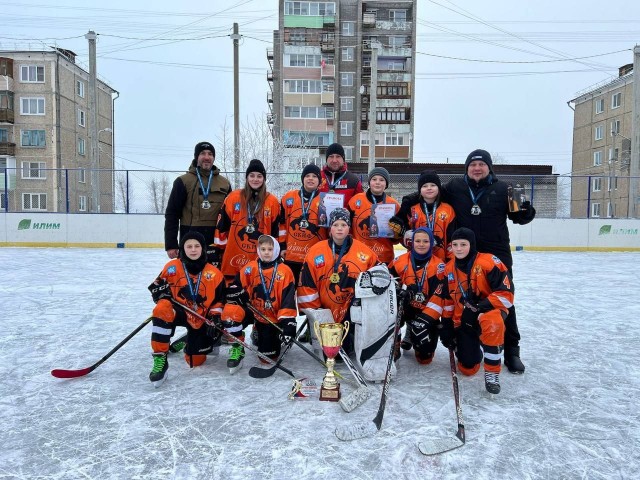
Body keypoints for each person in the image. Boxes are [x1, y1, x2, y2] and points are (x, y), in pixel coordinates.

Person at [437, 228, 514, 394]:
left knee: (492, 323)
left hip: (488, 312)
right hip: (463, 319)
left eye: (463, 244)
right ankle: (474, 347)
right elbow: (448, 301)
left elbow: (506, 295)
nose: (458, 249)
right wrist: (447, 325)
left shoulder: (489, 262)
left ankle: (492, 373)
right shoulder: (449, 269)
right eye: (455, 244)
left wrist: (479, 307)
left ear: (471, 244)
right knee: (468, 368)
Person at [147, 231, 226, 386]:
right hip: (179, 312)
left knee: (195, 361)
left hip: (201, 317)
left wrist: (215, 317)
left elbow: (219, 301)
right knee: (162, 309)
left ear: (203, 248)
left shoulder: (214, 273)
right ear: (183, 248)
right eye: (189, 246)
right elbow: (156, 286)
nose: (193, 250)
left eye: (197, 246)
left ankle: (188, 340)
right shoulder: (172, 267)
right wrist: (161, 294)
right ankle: (160, 356)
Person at [297, 208, 378, 354]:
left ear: (349, 227)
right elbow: (306, 285)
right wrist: (316, 314)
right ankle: (313, 331)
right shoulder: (316, 251)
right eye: (335, 225)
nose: (339, 228)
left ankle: (351, 336)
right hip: (324, 310)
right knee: (330, 352)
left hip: (352, 312)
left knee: (342, 353)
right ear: (330, 228)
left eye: (343, 225)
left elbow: (377, 275)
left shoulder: (364, 251)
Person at [221, 235, 298, 374]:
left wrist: (288, 323)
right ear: (258, 250)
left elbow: (288, 299)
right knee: (230, 312)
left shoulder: (285, 271)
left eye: (270, 249)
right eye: (263, 249)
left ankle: (268, 334)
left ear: (276, 250)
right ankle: (238, 345)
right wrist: (237, 293)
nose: (266, 252)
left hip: (272, 317)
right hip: (253, 311)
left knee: (267, 359)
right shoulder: (250, 268)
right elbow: (235, 287)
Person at [213, 159, 283, 283]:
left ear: (264, 179)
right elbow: (222, 227)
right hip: (233, 261)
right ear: (247, 178)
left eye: (259, 176)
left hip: (261, 261)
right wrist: (219, 250)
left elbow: (275, 233)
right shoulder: (233, 198)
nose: (255, 179)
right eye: (252, 175)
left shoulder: (272, 202)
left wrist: (275, 254)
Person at [164, 141, 231, 258]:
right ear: (196, 156)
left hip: (216, 242)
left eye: (210, 154)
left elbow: (230, 216)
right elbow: (172, 214)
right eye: (202, 153)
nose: (207, 157)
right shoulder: (183, 181)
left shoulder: (224, 183)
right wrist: (171, 244)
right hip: (190, 242)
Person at [389, 227, 446, 364]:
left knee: (424, 359)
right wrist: (398, 292)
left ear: (431, 243)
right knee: (388, 314)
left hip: (425, 310)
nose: (421, 244)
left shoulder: (438, 266)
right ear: (412, 243)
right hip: (405, 307)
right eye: (418, 241)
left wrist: (426, 319)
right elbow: (388, 285)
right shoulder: (399, 261)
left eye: (425, 241)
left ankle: (414, 331)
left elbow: (439, 297)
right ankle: (394, 342)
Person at [390, 170, 455, 262]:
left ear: (439, 188)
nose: (429, 188)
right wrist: (402, 234)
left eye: (433, 185)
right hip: (416, 261)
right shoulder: (412, 209)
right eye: (424, 186)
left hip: (442, 261)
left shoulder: (448, 210)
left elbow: (452, 238)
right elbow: (405, 238)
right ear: (419, 190)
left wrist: (450, 261)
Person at [279, 164, 328, 284]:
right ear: (302, 179)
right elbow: (282, 225)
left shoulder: (326, 200)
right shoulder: (288, 197)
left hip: (314, 256)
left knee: (310, 290)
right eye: (307, 176)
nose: (310, 178)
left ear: (319, 181)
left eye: (314, 176)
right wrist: (282, 246)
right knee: (290, 288)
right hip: (292, 254)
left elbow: (331, 228)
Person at [348, 167, 400, 266]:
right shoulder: (356, 200)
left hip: (384, 257)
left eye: (381, 180)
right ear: (369, 182)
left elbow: (396, 239)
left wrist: (396, 234)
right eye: (374, 179)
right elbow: (348, 228)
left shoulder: (394, 205)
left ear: (386, 184)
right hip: (359, 256)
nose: (377, 182)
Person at [318, 143, 364, 210]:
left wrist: (349, 213)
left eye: (338, 156)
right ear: (326, 159)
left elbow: (360, 206)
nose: (334, 160)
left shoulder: (353, 181)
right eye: (331, 156)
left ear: (343, 159)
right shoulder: (317, 177)